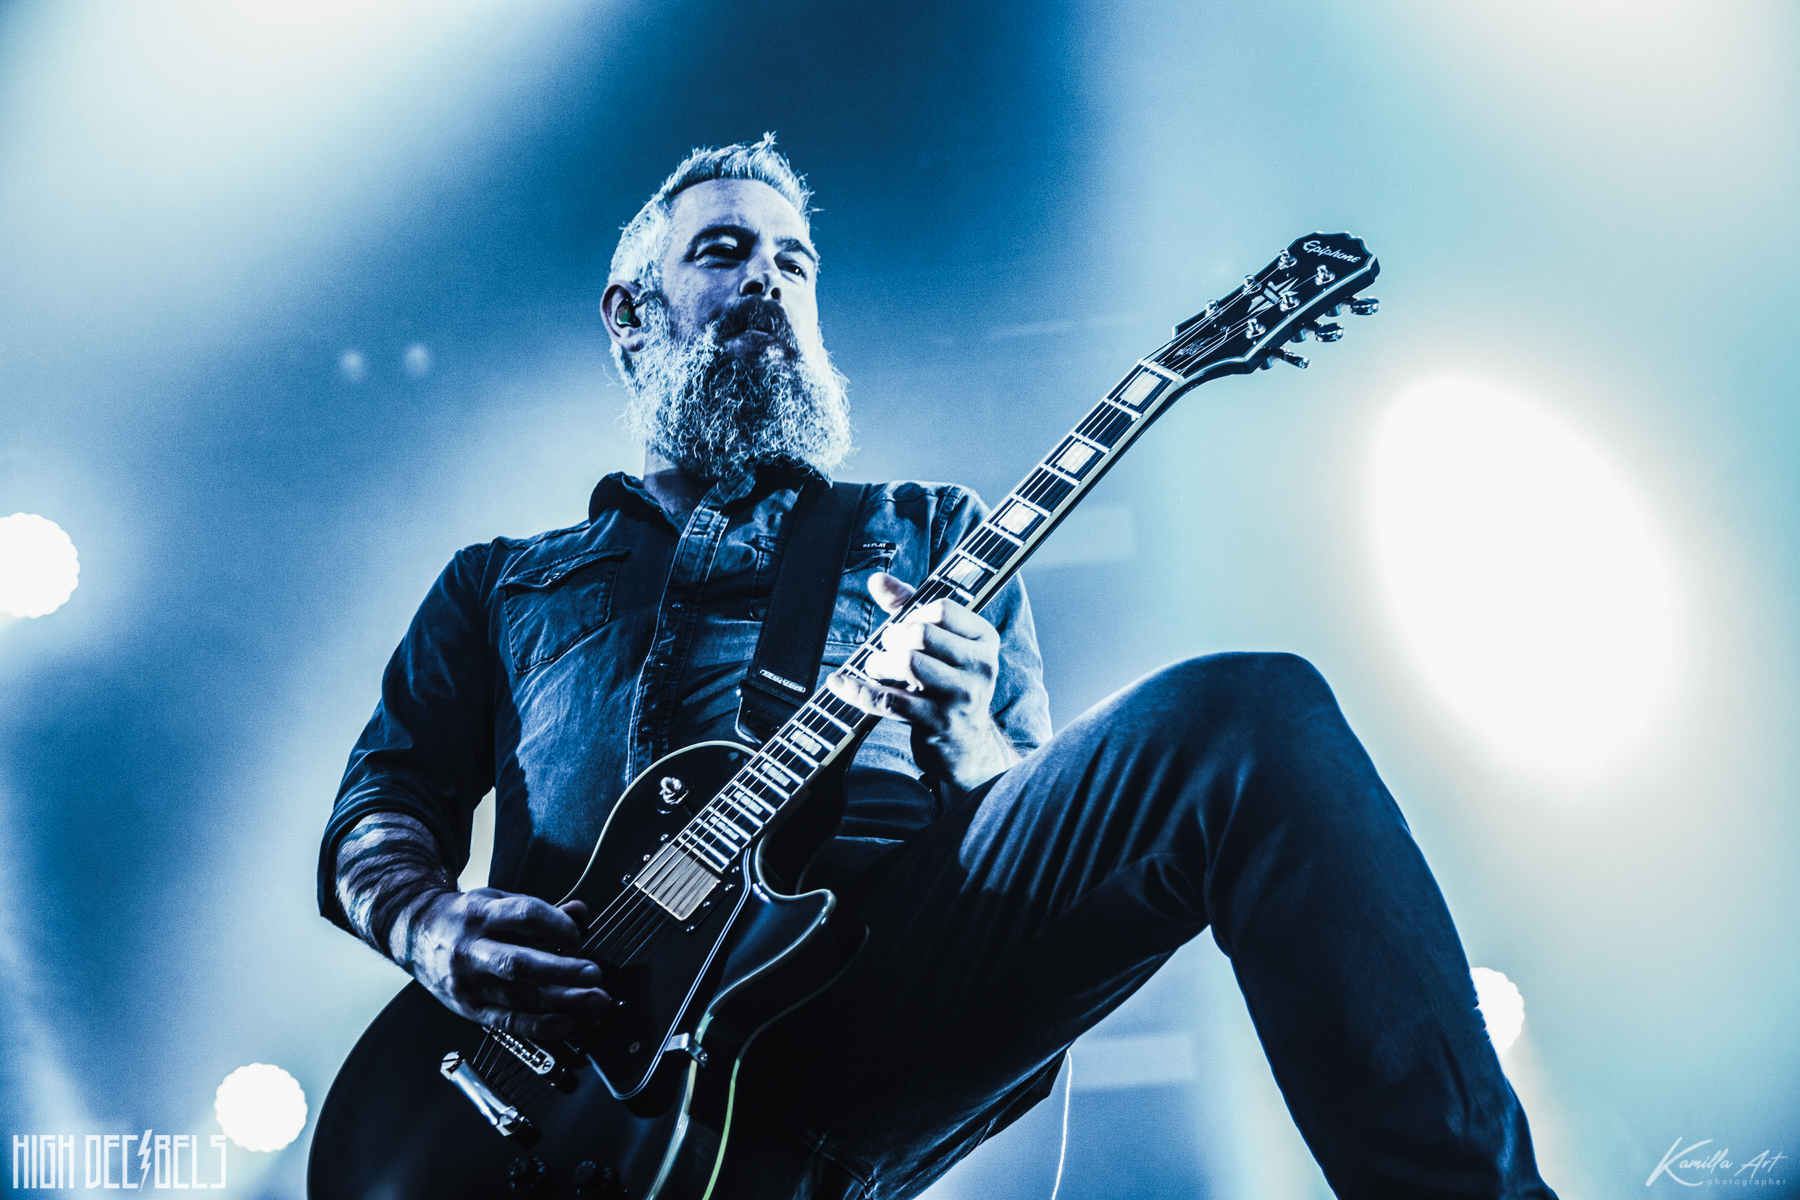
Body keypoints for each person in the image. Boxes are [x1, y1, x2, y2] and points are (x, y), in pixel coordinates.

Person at [319, 136, 1558, 1199]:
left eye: (795, 262)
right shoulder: (504, 584)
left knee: (1251, 718)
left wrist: (970, 743)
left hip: (861, 988)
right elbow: (379, 805)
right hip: (567, 1062)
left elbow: (1030, 806)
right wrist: (425, 924)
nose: (768, 281)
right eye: (724, 253)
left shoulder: (925, 534)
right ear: (630, 314)